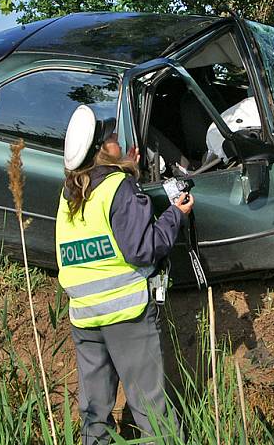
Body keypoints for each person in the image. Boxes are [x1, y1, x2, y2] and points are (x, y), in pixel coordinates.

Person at [56, 104, 194, 444]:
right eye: (114, 138)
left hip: (84, 315)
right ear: (103, 150)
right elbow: (142, 249)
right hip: (126, 313)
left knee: (94, 409)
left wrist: (127, 169)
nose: (119, 140)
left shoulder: (72, 191)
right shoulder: (117, 187)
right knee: (149, 403)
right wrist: (175, 215)